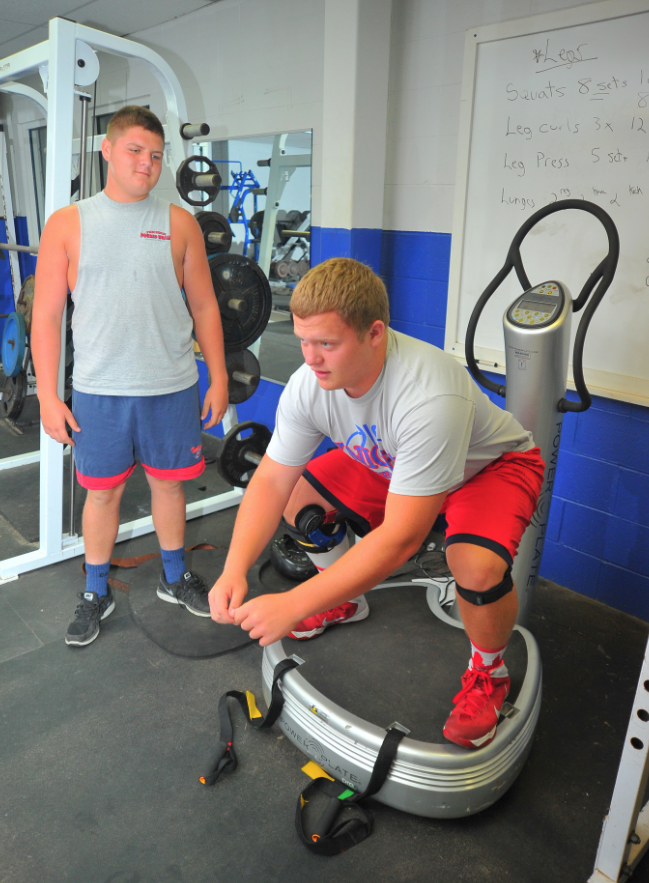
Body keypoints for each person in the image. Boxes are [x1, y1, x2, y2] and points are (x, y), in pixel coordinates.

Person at [208, 257, 544, 749]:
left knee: (472, 565)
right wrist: (234, 568)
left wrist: (294, 602)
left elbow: (402, 539)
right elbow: (273, 479)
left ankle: (488, 672)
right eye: (304, 340)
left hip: (490, 468)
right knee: (301, 496)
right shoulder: (310, 385)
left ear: (375, 333)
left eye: (327, 343)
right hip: (394, 463)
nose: (312, 358)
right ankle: (342, 598)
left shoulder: (428, 395)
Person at [32, 105, 229, 648]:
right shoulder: (69, 224)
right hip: (99, 393)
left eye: (156, 156)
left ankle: (173, 577)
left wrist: (217, 378)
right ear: (108, 151)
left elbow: (207, 306)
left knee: (170, 485)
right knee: (102, 496)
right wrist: (48, 396)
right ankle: (97, 590)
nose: (147, 164)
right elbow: (47, 314)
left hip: (170, 387)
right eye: (135, 152)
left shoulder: (178, 222)